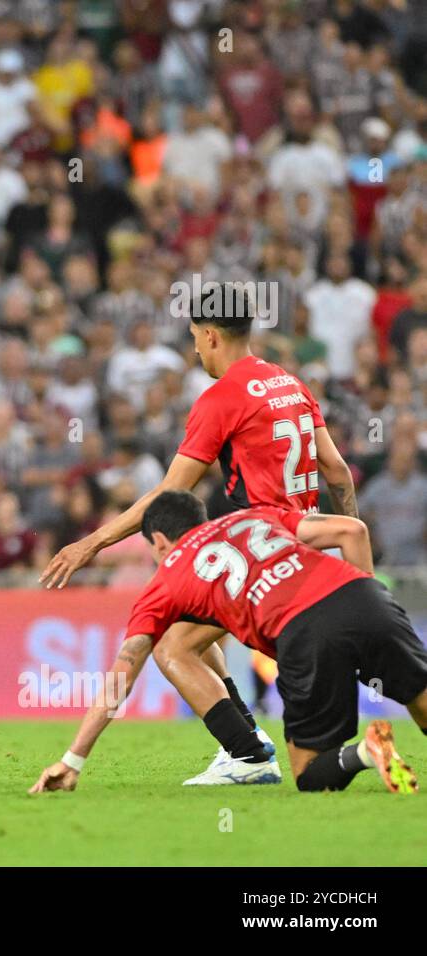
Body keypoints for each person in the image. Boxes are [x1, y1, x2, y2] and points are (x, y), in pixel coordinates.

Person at [41, 284, 359, 784]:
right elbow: (338, 474)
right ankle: (248, 742)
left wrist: (92, 542)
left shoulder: (222, 398)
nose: (192, 348)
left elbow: (170, 494)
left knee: (170, 645)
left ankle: (248, 754)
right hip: (307, 544)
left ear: (211, 336)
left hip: (263, 552)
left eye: (193, 337)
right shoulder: (291, 384)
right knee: (195, 616)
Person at [31, 491, 425, 794]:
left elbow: (126, 669)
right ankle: (249, 747)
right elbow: (351, 530)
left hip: (305, 631)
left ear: (160, 542)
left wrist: (73, 758)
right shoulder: (253, 517)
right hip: (366, 596)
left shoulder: (167, 578)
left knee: (310, 775)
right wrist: (367, 610)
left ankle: (365, 749)